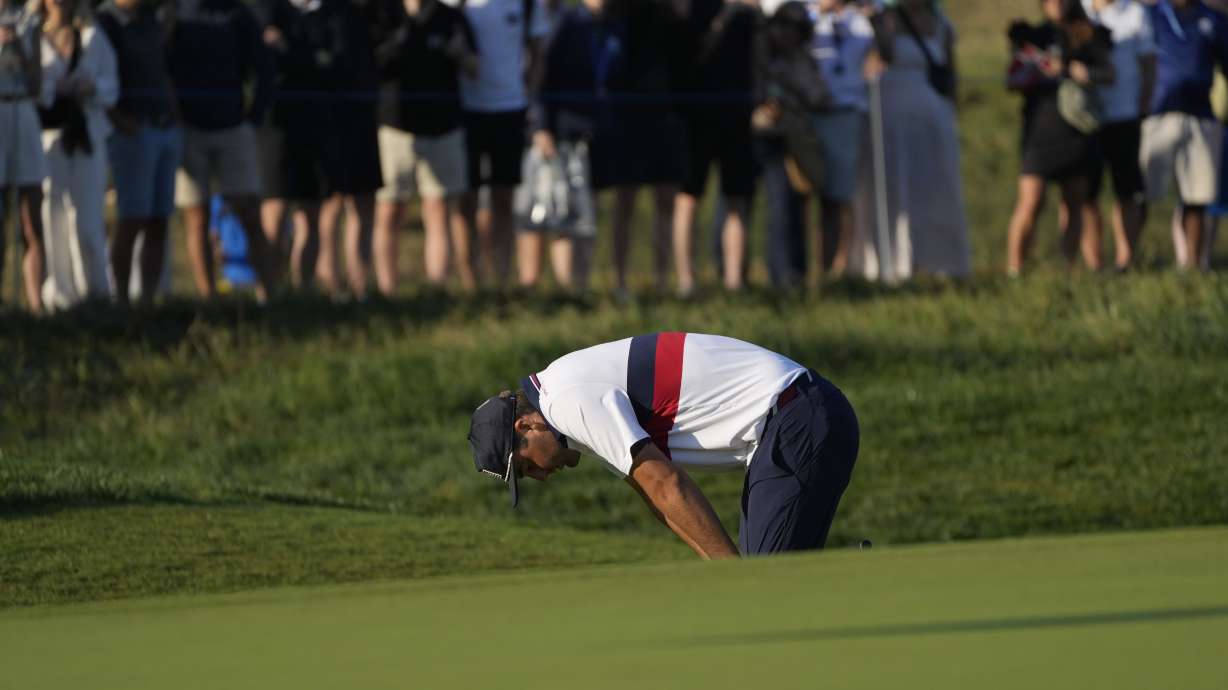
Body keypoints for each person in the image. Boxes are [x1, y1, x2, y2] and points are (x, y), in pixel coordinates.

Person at [468, 332, 860, 557]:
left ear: (526, 425)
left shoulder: (565, 402)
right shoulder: (565, 395)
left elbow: (667, 485)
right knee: (766, 583)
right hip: (796, 417)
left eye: (524, 467)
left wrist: (737, 582)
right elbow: (657, 500)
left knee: (767, 588)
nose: (539, 476)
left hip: (795, 418)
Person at [267, 0, 382, 298]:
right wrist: (306, 59)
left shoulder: (340, 13)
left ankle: (310, 294)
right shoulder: (271, 10)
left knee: (314, 213)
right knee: (277, 214)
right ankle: (271, 295)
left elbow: (337, 63)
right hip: (277, 129)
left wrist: (290, 52)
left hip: (328, 126)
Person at [849, 0, 971, 281]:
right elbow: (868, 65)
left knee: (935, 192)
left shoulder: (941, 24)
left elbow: (950, 75)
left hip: (932, 121)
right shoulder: (881, 22)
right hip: (889, 118)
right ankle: (889, 263)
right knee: (890, 189)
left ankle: (939, 261)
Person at [167, 0, 278, 301]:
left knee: (250, 214)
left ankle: (268, 298)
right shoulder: (176, 13)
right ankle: (209, 300)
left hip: (232, 128)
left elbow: (263, 67)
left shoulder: (238, 13)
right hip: (189, 130)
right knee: (196, 218)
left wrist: (253, 118)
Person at [372, 0, 476, 295]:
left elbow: (474, 66)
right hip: (395, 127)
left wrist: (460, 54)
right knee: (389, 210)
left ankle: (437, 290)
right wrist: (398, 39)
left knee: (438, 209)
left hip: (443, 126)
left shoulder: (451, 17)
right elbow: (373, 63)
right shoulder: (385, 14)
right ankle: (386, 291)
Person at [1003, 0, 1114, 274]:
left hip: (1076, 128)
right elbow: (1012, 79)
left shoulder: (1088, 34)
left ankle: (1067, 266)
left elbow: (1108, 73)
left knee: (1074, 202)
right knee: (1031, 201)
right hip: (1040, 127)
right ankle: (1015, 269)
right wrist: (1036, 72)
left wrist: (1079, 72)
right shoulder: (1032, 35)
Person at [455, 0, 550, 288]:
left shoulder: (530, 4)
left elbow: (538, 51)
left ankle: (502, 279)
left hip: (510, 109)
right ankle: (470, 280)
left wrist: (529, 95)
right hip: (466, 109)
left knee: (504, 199)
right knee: (466, 202)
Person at [516, 0, 609, 292]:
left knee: (570, 214)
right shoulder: (561, 21)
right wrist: (540, 125)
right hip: (552, 132)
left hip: (578, 130)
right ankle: (533, 286)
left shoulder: (584, 19)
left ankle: (570, 290)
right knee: (539, 210)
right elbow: (540, 77)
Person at [96, 0, 181, 306]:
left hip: (165, 127)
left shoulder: (150, 18)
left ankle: (147, 300)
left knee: (159, 219)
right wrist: (121, 121)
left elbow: (163, 69)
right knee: (133, 218)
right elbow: (101, 80)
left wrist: (174, 114)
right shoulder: (106, 21)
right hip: (132, 132)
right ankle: (121, 299)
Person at [35, 0, 118, 310]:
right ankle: (59, 297)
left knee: (87, 220)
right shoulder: (32, 36)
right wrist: (52, 89)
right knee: (51, 216)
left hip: (87, 136)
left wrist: (90, 86)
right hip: (48, 139)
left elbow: (112, 86)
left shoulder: (92, 36)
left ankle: (96, 292)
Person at [673, 0, 758, 295]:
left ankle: (734, 281)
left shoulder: (747, 15)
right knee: (688, 198)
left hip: (736, 114)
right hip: (695, 118)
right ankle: (686, 280)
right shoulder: (687, 11)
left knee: (737, 198)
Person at [1139, 0, 1228, 271]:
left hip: (1200, 115)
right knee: (1140, 194)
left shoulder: (1212, 18)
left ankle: (1192, 266)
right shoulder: (1150, 15)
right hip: (1156, 114)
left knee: (1197, 197)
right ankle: (1130, 258)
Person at [606, 0, 685, 298]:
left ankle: (664, 280)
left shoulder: (671, 15)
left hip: (666, 114)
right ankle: (619, 281)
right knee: (624, 202)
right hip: (626, 116)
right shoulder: (618, 13)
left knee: (666, 201)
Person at [1080, 0, 1155, 272]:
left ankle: (1125, 260)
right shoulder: (1079, 8)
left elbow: (1148, 62)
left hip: (1125, 113)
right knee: (1087, 195)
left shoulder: (1135, 12)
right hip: (1087, 117)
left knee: (1127, 190)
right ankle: (1094, 263)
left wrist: (1145, 102)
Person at [810, 0, 878, 278]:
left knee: (842, 194)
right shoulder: (804, 16)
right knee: (814, 194)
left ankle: (841, 264)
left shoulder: (860, 21)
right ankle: (816, 266)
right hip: (811, 112)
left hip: (848, 112)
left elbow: (876, 57)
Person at [0, 0, 46, 313]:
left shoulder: (28, 20)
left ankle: (36, 304)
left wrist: (20, 49)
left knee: (32, 217)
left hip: (23, 111)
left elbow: (37, 82)